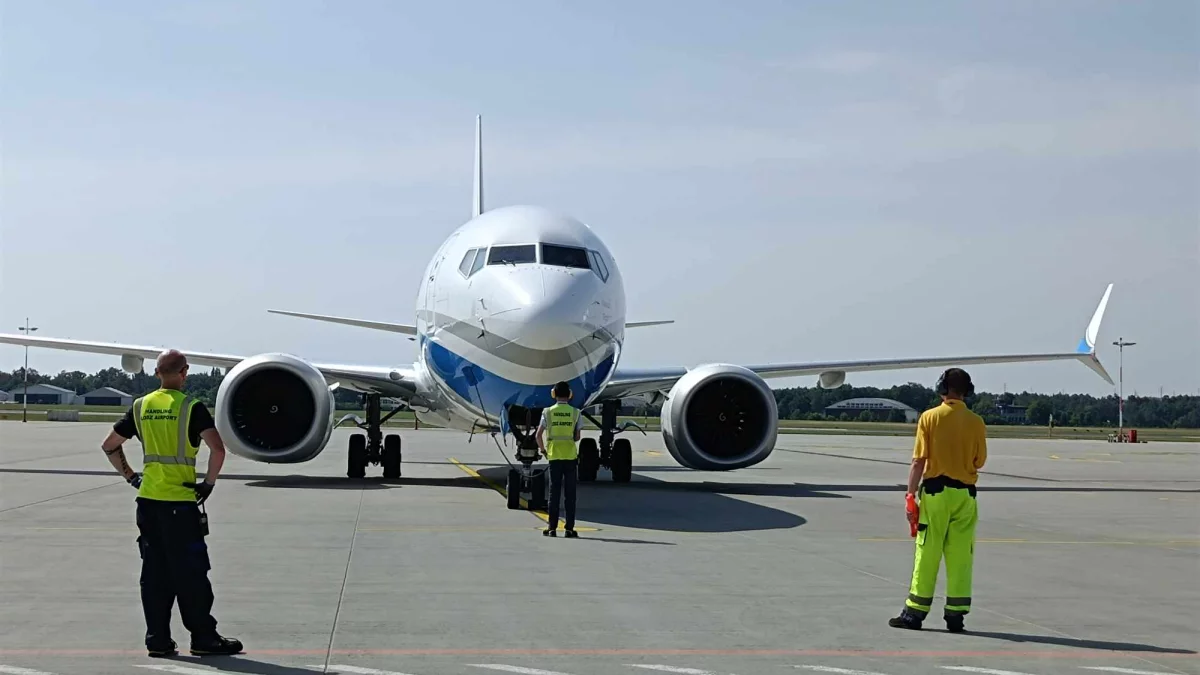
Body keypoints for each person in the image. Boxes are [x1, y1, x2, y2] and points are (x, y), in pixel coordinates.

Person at [100, 349, 243, 657]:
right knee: (190, 574)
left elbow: (109, 445)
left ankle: (158, 640)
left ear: (156, 373)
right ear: (185, 372)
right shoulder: (191, 407)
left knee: (154, 575)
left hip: (148, 502)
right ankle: (203, 638)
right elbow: (218, 450)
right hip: (180, 503)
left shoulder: (140, 407)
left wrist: (131, 476)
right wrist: (208, 484)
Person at [889, 367, 987, 633]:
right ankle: (956, 616)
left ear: (942, 389)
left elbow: (919, 460)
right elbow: (980, 461)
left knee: (928, 553)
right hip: (965, 496)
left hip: (936, 494)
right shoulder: (977, 422)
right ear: (968, 391)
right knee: (960, 557)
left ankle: (915, 613)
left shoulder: (929, 418)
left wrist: (910, 495)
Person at [536, 381, 582, 538]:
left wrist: (543, 450)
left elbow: (538, 435)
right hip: (570, 457)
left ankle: (552, 529)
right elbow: (577, 437)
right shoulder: (575, 413)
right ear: (570, 395)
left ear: (553, 394)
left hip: (554, 456)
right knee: (570, 495)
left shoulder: (547, 412)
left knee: (553, 494)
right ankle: (569, 529)